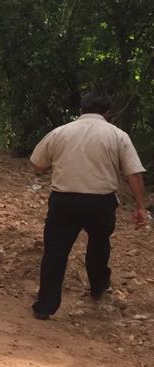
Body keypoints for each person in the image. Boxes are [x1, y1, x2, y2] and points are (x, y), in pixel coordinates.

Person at [29, 92, 148, 320]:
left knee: (55, 252)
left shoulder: (60, 132)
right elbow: (133, 174)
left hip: (64, 201)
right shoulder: (117, 135)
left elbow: (37, 164)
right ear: (107, 113)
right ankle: (98, 287)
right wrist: (141, 207)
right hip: (101, 202)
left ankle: (45, 307)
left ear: (81, 110)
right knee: (99, 245)